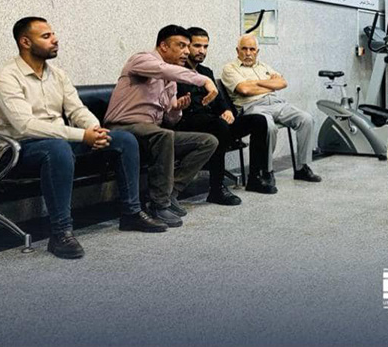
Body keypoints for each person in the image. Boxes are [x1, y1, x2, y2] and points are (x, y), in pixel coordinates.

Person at [0, 17, 168, 259]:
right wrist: (82, 135)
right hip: (19, 150)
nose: (55, 40)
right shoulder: (6, 78)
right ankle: (60, 232)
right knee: (57, 149)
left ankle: (131, 213)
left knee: (124, 140)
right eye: (46, 36)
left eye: (53, 34)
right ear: (25, 42)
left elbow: (77, 110)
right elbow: (26, 126)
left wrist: (96, 130)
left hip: (60, 143)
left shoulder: (58, 75)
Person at [105, 25, 219, 228]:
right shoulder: (141, 60)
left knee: (207, 141)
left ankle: (171, 192)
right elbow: (163, 69)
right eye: (181, 45)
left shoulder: (170, 81)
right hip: (122, 128)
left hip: (152, 132)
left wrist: (176, 109)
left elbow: (171, 119)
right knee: (164, 135)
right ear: (164, 46)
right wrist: (205, 81)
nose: (186, 51)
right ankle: (159, 204)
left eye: (187, 46)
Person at [174, 27, 277, 205]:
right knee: (220, 126)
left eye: (205, 46)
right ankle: (216, 189)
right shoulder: (175, 71)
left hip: (212, 121)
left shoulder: (206, 71)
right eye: (197, 46)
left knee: (258, 120)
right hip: (188, 122)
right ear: (186, 47)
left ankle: (255, 178)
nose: (202, 51)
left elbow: (219, 100)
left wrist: (227, 111)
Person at [221, 34, 322, 184]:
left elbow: (282, 83)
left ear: (257, 52)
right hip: (252, 107)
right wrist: (269, 84)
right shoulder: (230, 68)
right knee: (268, 126)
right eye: (244, 49)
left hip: (276, 103)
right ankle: (266, 171)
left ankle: (302, 168)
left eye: (252, 49)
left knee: (306, 119)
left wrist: (255, 83)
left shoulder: (264, 66)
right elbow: (244, 89)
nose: (248, 53)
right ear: (237, 50)